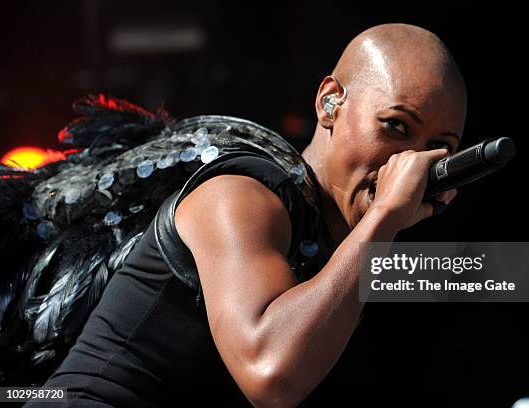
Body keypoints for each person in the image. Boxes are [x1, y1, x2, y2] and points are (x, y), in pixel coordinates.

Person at [24, 23, 466, 407]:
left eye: (434, 147)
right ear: (330, 102)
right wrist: (385, 214)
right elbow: (271, 373)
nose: (410, 162)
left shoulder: (347, 249)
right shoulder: (242, 194)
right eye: (396, 126)